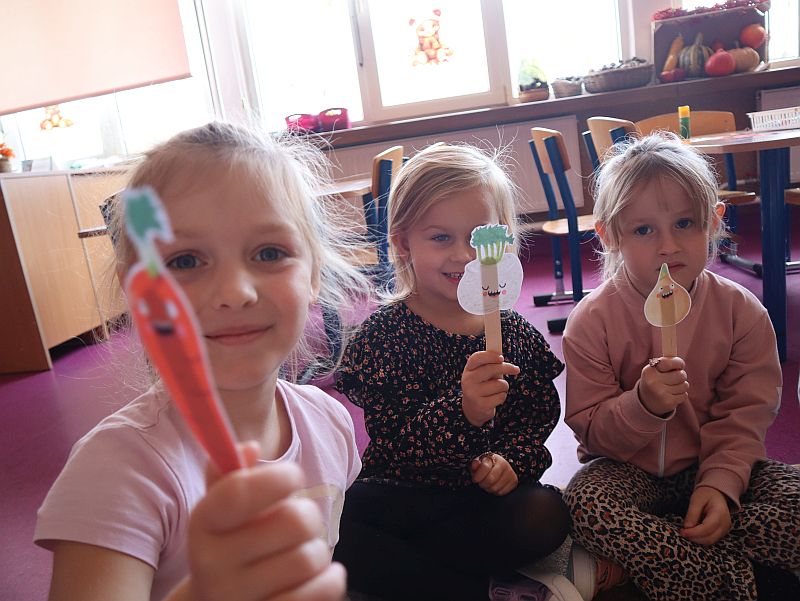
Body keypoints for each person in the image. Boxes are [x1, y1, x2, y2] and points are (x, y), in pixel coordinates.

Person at [34, 122, 374, 601]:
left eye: (269, 252)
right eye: (186, 261)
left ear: (313, 275)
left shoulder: (330, 422)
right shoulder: (118, 471)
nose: (235, 292)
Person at [561, 133, 800, 601]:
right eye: (643, 230)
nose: (668, 246)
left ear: (714, 221)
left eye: (685, 223)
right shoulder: (591, 321)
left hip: (712, 461)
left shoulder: (742, 312)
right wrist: (642, 406)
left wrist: (722, 485)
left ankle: (660, 560)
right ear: (610, 235)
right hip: (626, 471)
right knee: (585, 506)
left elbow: (746, 414)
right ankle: (744, 577)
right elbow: (592, 431)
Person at [334, 143, 571, 601]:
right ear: (403, 243)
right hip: (404, 494)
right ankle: (481, 588)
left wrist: (512, 463)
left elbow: (536, 419)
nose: (463, 256)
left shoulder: (512, 332)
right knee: (340, 523)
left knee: (545, 514)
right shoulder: (385, 335)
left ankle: (432, 582)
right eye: (440, 238)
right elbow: (395, 443)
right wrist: (463, 412)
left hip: (483, 506)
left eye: (479, 239)